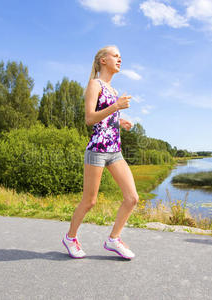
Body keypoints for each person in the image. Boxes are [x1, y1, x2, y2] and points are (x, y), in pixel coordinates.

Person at [62, 45, 139, 260]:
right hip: (97, 150)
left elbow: (104, 120)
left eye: (121, 56)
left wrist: (119, 122)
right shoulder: (94, 84)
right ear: (103, 60)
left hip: (115, 151)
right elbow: (89, 119)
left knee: (132, 198)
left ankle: (113, 239)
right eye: (115, 55)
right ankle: (70, 238)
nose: (119, 59)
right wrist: (116, 107)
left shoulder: (113, 90)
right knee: (90, 201)